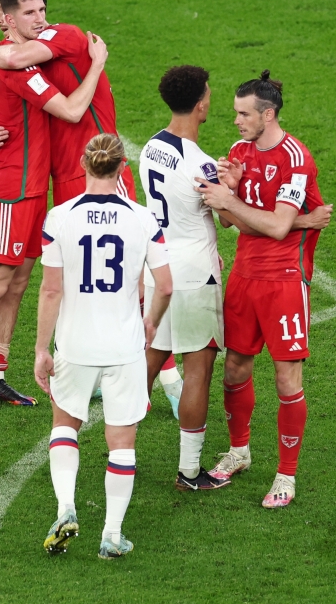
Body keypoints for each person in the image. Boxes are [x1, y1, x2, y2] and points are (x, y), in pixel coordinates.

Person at [0, 0, 109, 410]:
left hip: (32, 190)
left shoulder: (5, 57)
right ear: (6, 18)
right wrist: (97, 65)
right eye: (28, 13)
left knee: (20, 282)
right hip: (10, 191)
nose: (40, 20)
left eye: (42, 10)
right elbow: (73, 111)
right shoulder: (15, 66)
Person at [35, 133, 172, 559]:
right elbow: (165, 285)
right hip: (125, 347)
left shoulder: (59, 218)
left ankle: (65, 507)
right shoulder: (143, 219)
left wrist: (42, 348)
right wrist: (151, 322)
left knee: (64, 424)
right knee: (121, 440)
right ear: (121, 168)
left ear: (83, 163)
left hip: (74, 345)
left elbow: (51, 291)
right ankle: (112, 535)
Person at [198, 70, 331, 508]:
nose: (236, 121)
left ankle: (286, 477)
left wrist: (233, 202)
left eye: (243, 114)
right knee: (235, 367)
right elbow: (228, 221)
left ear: (268, 114)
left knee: (286, 377)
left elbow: (274, 227)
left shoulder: (295, 158)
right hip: (244, 276)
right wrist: (231, 197)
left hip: (285, 281)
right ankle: (239, 450)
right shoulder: (239, 152)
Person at [139, 66, 229, 491]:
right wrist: (235, 183)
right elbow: (228, 218)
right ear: (200, 104)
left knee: (151, 360)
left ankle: (119, 445)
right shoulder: (203, 165)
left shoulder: (149, 147)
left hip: (158, 268)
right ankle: (190, 472)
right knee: (198, 370)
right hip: (195, 273)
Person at [0, 0, 136, 205]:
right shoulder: (20, 57)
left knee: (120, 239)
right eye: (30, 12)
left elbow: (14, 58)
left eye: (41, 10)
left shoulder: (64, 35)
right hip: (63, 176)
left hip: (103, 167)